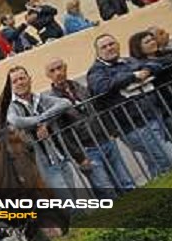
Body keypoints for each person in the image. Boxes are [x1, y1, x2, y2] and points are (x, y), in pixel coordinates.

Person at [87, 33, 172, 178]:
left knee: (156, 164)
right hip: (133, 125)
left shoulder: (128, 61)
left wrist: (146, 70)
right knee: (168, 159)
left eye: (112, 44)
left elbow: (154, 64)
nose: (109, 48)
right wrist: (133, 76)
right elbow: (102, 86)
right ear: (98, 52)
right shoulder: (96, 71)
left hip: (152, 116)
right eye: (104, 47)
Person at [45, 58, 134, 196]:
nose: (58, 73)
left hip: (106, 140)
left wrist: (111, 131)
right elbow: (61, 134)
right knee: (107, 192)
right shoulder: (52, 101)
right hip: (87, 150)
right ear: (48, 75)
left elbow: (98, 108)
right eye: (52, 71)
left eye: (60, 68)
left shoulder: (79, 87)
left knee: (126, 183)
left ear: (65, 68)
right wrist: (79, 157)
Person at [6, 66, 78, 199]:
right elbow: (16, 121)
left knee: (73, 199)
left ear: (29, 79)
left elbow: (65, 103)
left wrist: (45, 122)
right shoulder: (11, 106)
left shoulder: (40, 98)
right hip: (42, 165)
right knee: (68, 205)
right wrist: (41, 119)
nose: (20, 83)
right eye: (15, 81)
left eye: (22, 78)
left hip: (60, 156)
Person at [128, 30, 172, 150]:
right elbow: (169, 62)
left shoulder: (162, 54)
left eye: (152, 39)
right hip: (166, 109)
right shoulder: (139, 64)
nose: (152, 42)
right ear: (138, 47)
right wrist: (168, 60)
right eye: (147, 42)